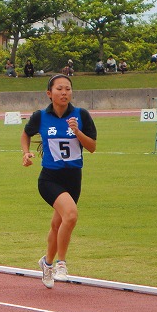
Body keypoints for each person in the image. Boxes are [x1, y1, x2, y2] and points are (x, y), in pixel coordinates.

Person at [21, 74, 97, 289]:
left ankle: (46, 263)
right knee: (71, 216)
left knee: (57, 225)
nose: (64, 93)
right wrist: (26, 153)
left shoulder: (81, 115)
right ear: (49, 93)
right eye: (60, 89)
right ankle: (61, 263)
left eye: (68, 89)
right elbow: (25, 134)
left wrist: (77, 132)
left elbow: (92, 147)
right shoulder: (41, 116)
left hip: (73, 178)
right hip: (50, 178)